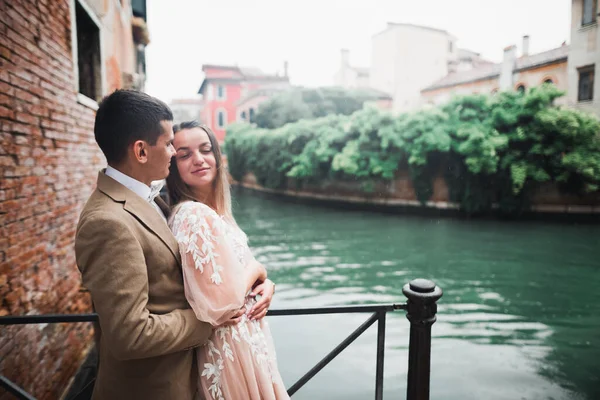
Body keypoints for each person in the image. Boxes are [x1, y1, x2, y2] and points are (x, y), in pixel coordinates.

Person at [75, 91, 212, 400]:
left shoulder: (146, 199)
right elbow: (130, 335)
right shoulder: (107, 222)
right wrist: (208, 321)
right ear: (140, 151)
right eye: (167, 143)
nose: (174, 152)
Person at [166, 121, 289, 400]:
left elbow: (228, 274)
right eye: (184, 154)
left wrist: (265, 282)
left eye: (206, 149)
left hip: (248, 344)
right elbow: (222, 305)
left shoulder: (215, 213)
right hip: (230, 349)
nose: (198, 159)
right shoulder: (194, 215)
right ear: (173, 166)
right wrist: (257, 269)